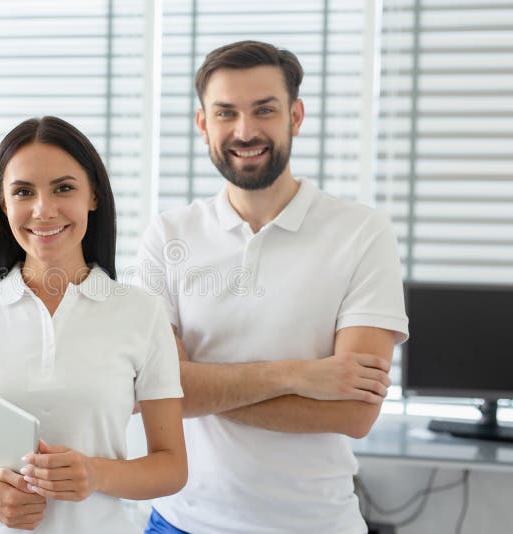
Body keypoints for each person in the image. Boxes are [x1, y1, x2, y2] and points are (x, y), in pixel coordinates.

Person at [137, 41, 409, 534]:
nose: (245, 131)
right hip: (180, 521)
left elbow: (353, 412)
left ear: (295, 116)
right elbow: (164, 394)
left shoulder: (362, 233)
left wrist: (202, 385)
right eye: (226, 113)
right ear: (204, 125)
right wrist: (300, 376)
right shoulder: (168, 236)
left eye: (264, 110)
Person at [0, 116, 187, 534]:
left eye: (64, 188)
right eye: (23, 192)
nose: (43, 209)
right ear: (2, 204)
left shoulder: (142, 314)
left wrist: (97, 474)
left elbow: (171, 467)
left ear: (93, 195)